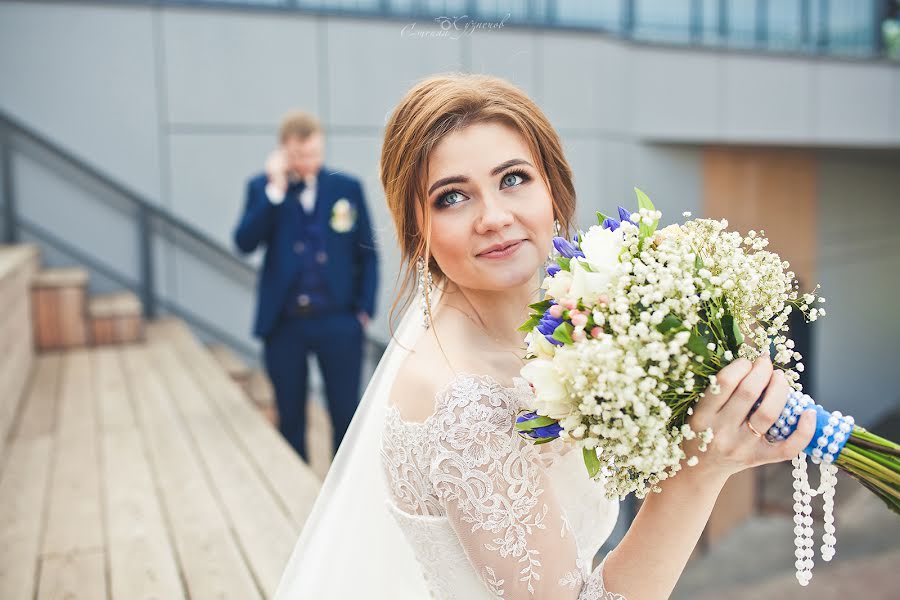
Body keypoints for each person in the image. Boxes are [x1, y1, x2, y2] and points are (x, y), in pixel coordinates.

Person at [272, 74, 817, 599]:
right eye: (452, 197)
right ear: (418, 230)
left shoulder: (566, 327)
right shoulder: (465, 405)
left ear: (553, 193)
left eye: (512, 179)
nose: (493, 216)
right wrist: (701, 470)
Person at [233, 110, 378, 462]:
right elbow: (244, 241)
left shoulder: (347, 188)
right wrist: (275, 190)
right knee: (291, 416)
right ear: (284, 151)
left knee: (346, 415)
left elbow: (367, 252)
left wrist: (363, 310)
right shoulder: (263, 189)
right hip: (285, 324)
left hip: (339, 321)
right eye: (300, 155)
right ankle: (296, 492)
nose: (308, 162)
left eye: (314, 153)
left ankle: (340, 496)